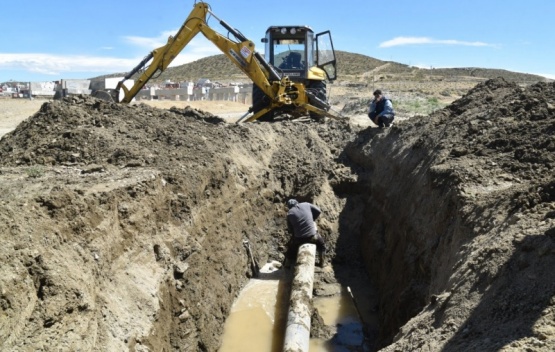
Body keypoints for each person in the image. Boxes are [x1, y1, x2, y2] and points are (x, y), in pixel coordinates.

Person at [285, 199, 327, 267]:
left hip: (299, 239)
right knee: (322, 246)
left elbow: (290, 229)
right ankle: (322, 264)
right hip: (313, 236)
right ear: (297, 202)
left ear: (289, 207)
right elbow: (318, 211)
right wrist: (312, 218)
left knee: (290, 248)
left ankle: (287, 264)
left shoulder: (289, 213)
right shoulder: (306, 204)